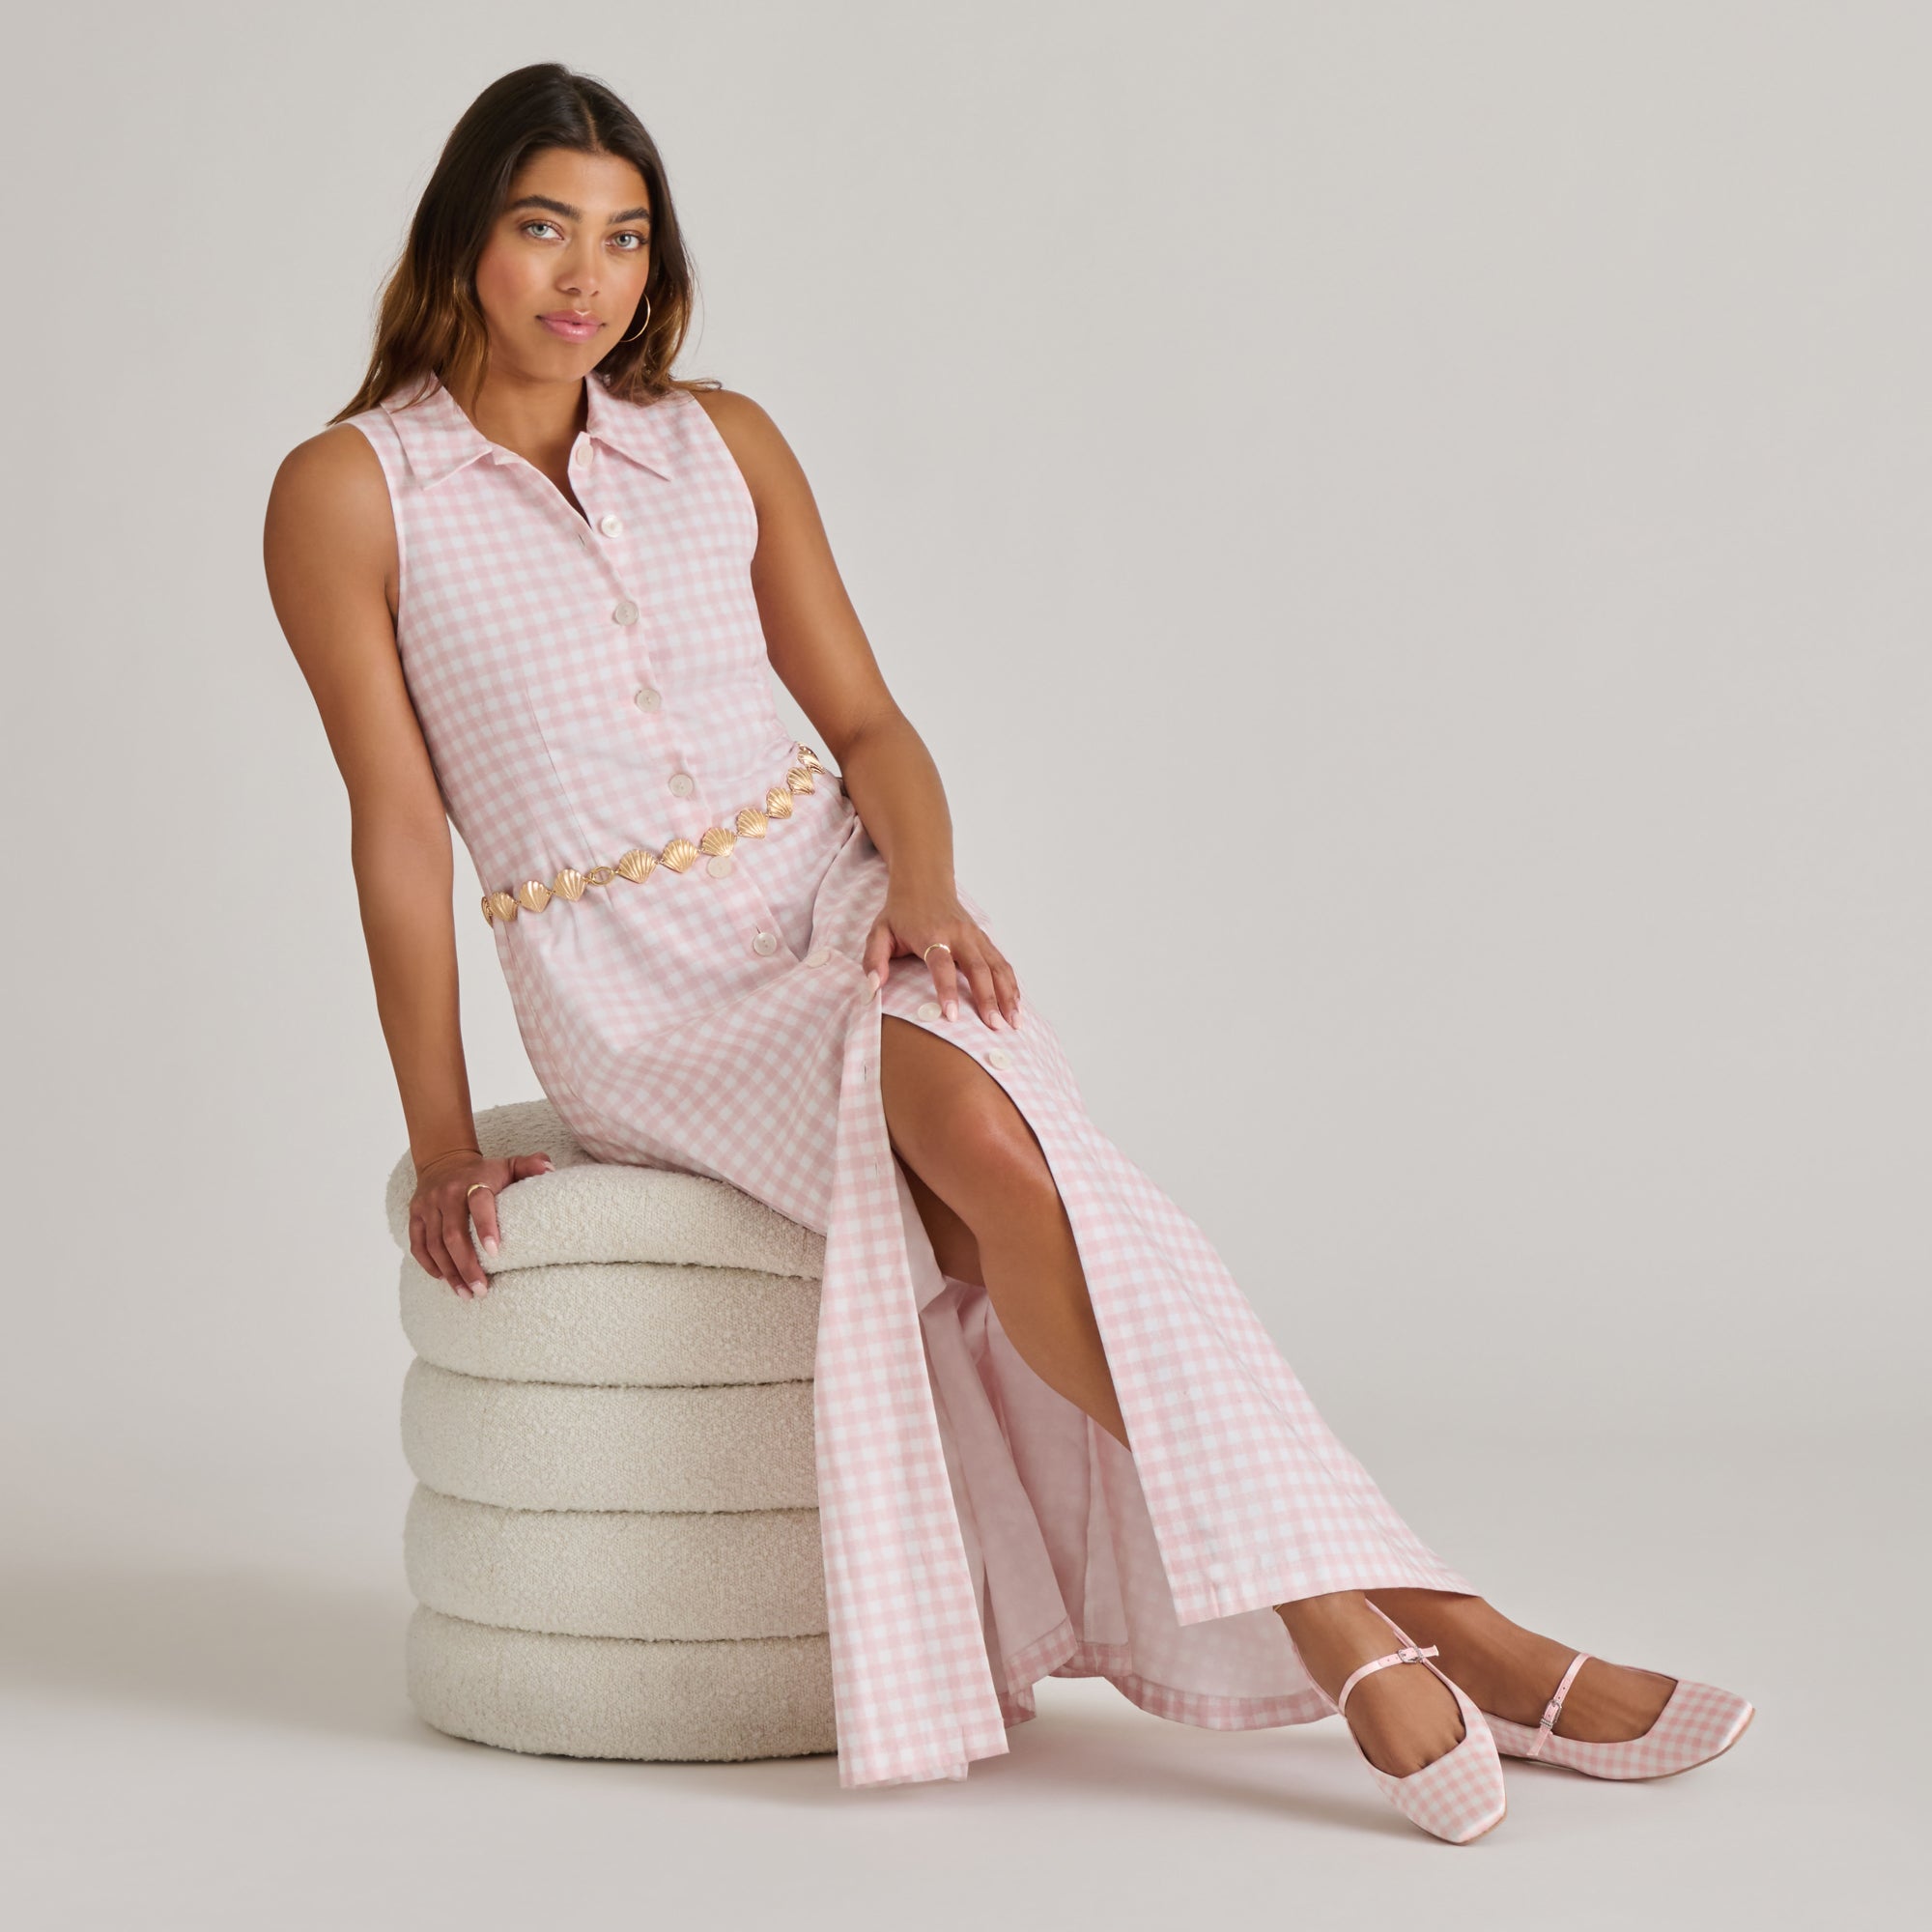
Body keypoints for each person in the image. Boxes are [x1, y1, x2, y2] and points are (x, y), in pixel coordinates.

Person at [262, 62, 1752, 1841]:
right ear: (464, 238)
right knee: (1000, 1172)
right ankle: (1416, 1625)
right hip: (638, 995)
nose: (588, 278)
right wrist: (441, 1137)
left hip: (839, 895)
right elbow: (396, 830)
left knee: (1006, 1168)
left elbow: (870, 727)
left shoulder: (720, 442)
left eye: (627, 238)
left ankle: (1389, 1627)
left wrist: (927, 887)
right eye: (542, 229)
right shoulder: (352, 490)